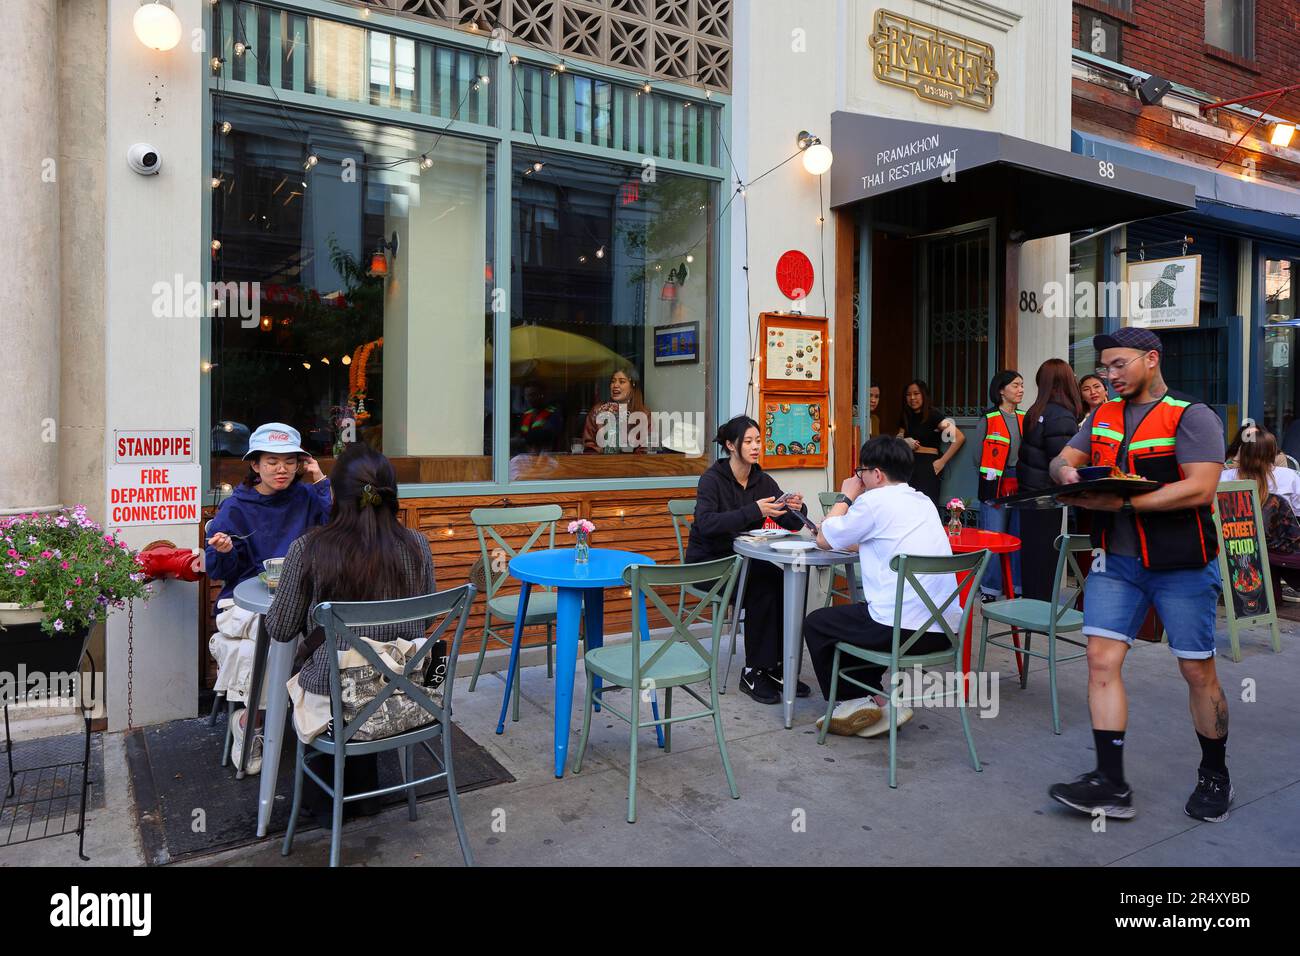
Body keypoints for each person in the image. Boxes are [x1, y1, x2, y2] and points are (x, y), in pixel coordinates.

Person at [1048, 327, 1231, 823]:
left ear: (1151, 360)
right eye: (1104, 367)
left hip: (1181, 564)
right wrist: (1065, 473)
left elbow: (1200, 489)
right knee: (1100, 661)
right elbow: (1065, 457)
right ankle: (1111, 783)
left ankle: (1215, 774)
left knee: (1197, 670)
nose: (1108, 376)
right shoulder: (1101, 415)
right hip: (1116, 561)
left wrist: (1124, 500)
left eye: (1118, 365)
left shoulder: (1193, 417)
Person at [265, 442, 437, 825]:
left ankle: (326, 807)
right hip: (407, 693)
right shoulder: (418, 546)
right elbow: (420, 625)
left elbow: (278, 627)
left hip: (336, 702)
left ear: (333, 494)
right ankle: (367, 798)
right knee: (370, 669)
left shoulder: (309, 549)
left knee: (336, 675)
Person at [802, 436, 963, 736]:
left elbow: (824, 539)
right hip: (943, 633)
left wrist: (846, 496)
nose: (858, 477)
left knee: (818, 624)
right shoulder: (923, 501)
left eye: (861, 470)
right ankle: (876, 699)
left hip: (898, 632)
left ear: (876, 474)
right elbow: (871, 540)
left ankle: (850, 702)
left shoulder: (872, 501)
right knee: (858, 620)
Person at [205, 423, 332, 773]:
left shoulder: (305, 497)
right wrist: (225, 550)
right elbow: (220, 569)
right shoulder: (235, 508)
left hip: (297, 601)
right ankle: (253, 725)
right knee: (271, 639)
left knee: (302, 634)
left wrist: (320, 481)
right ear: (255, 464)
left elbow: (333, 524)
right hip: (246, 601)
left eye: (290, 461)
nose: (282, 469)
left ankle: (293, 717)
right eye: (272, 461)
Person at [685, 415, 811, 704]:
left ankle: (777, 668)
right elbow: (706, 523)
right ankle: (754, 670)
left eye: (758, 441)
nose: (756, 447)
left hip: (744, 562)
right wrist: (754, 510)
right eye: (749, 441)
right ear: (731, 445)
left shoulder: (761, 479)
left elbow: (792, 524)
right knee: (763, 584)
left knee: (787, 580)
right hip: (710, 564)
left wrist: (796, 506)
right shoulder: (712, 480)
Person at [1018, 360, 1085, 602]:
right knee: (1046, 558)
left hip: (1028, 495)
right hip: (1046, 498)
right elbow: (1062, 462)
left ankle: (1030, 607)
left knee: (1032, 557)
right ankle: (1041, 611)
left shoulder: (1035, 412)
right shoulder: (1062, 417)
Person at [1222, 424, 1300, 601]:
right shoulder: (1288, 476)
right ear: (1273, 452)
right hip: (1281, 551)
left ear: (1242, 452)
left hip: (1236, 551)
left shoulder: (1225, 478)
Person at [974, 370, 1024, 599]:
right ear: (1001, 390)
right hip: (994, 483)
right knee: (993, 536)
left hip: (1020, 482)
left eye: (1021, 385)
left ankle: (1015, 587)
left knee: (1016, 536)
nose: (1020, 389)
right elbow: (977, 456)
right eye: (1015, 385)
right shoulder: (989, 418)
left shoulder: (1025, 417)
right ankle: (990, 589)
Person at [898, 379, 964, 509]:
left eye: (916, 393)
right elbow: (899, 438)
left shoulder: (934, 415)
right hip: (907, 466)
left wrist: (942, 462)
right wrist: (903, 441)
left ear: (924, 395)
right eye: (908, 394)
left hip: (928, 468)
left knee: (927, 507)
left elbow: (959, 437)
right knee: (908, 507)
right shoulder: (905, 416)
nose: (912, 398)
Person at [583, 366, 651, 453]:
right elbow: (589, 446)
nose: (615, 385)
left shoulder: (643, 413)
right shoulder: (598, 410)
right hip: (601, 464)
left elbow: (645, 448)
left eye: (622, 381)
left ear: (632, 384)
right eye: (613, 381)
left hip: (632, 464)